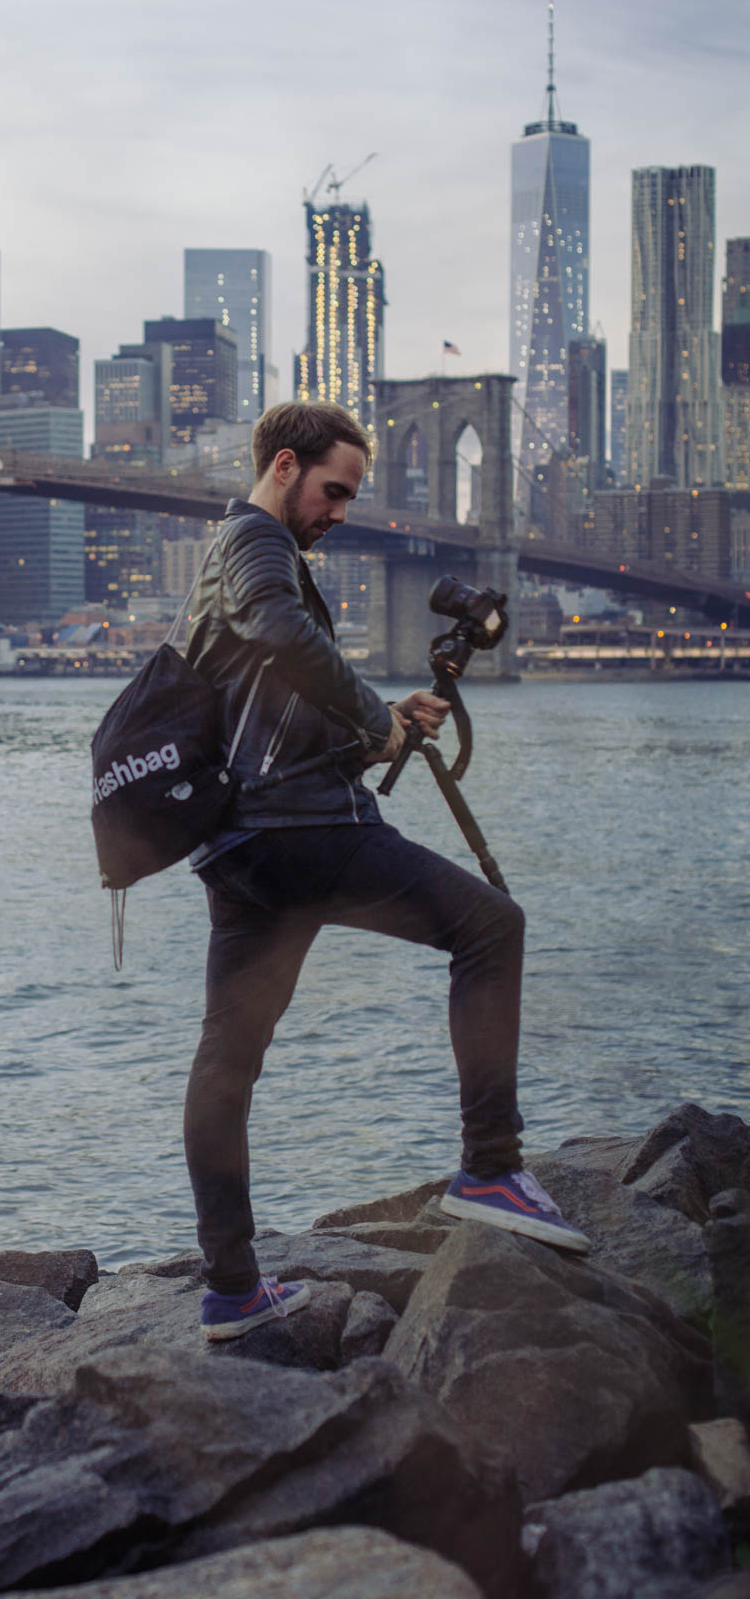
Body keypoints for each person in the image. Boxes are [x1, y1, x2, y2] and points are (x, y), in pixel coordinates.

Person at [183, 401, 588, 1343]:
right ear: (284, 466)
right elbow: (285, 634)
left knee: (226, 1066)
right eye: (333, 490)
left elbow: (264, 712)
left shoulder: (229, 556)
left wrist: (380, 728)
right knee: (491, 927)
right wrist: (376, 721)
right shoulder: (255, 543)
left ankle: (231, 1291)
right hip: (304, 838)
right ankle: (490, 1166)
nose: (340, 512)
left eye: (351, 497)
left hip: (241, 849)